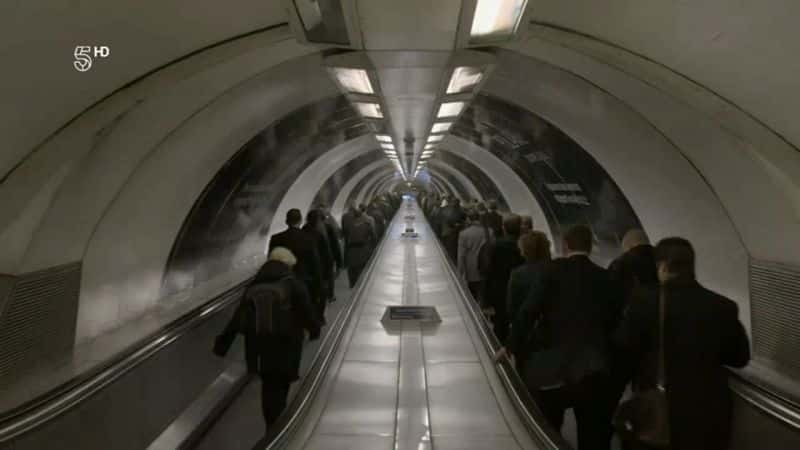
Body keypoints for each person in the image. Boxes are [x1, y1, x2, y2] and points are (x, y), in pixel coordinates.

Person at [614, 238, 750, 450]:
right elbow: (740, 358)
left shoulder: (644, 301)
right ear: (691, 266)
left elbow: (623, 350)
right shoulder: (723, 306)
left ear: (662, 266)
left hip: (658, 410)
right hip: (709, 415)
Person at [502, 225, 620, 450]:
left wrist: (510, 345)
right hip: (594, 366)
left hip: (553, 364)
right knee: (593, 430)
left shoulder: (551, 271)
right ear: (591, 246)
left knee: (548, 425)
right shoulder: (606, 277)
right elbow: (615, 321)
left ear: (565, 245)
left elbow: (528, 311)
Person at [213, 247, 321, 427]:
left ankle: (271, 424)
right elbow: (307, 312)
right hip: (287, 345)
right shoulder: (293, 284)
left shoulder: (254, 286)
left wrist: (222, 344)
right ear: (288, 264)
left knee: (268, 386)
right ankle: (278, 429)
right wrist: (314, 329)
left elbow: (238, 318)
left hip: (260, 347)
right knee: (282, 385)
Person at [268, 209, 322, 312]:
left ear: (286, 221)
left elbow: (271, 262)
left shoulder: (276, 238)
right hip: (304, 282)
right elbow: (315, 264)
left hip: (282, 285)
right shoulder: (308, 238)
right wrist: (319, 288)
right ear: (301, 221)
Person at [482, 214, 524, 343]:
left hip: (500, 292)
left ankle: (500, 352)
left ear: (504, 228)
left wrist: (486, 301)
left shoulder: (494, 246)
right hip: (521, 292)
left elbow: (488, 272)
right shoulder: (526, 246)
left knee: (500, 325)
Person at [608, 229, 659, 311]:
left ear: (629, 246)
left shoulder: (619, 263)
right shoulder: (664, 257)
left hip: (636, 314)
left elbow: (613, 296)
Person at [506, 231, 552, 322]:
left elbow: (512, 307)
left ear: (525, 251)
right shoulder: (557, 269)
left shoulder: (518, 274)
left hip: (528, 323)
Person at [303, 209, 333, 319]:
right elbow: (327, 255)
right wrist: (330, 270)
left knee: (308, 297)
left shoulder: (302, 233)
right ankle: (319, 318)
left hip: (304, 273)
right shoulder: (319, 234)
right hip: (319, 271)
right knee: (320, 295)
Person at [457, 209, 493, 300]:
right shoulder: (490, 231)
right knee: (485, 294)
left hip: (471, 270)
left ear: (468, 219)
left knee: (473, 295)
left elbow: (461, 255)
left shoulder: (464, 234)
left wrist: (460, 273)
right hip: (487, 268)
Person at [343, 206, 377, 288]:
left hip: (351, 251)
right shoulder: (367, 224)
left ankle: (352, 284)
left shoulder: (349, 225)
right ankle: (359, 286)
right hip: (363, 250)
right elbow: (374, 237)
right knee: (361, 269)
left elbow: (345, 236)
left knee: (352, 269)